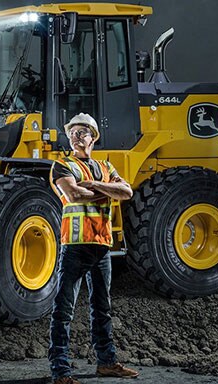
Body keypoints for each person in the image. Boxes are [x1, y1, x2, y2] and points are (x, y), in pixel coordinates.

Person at [47, 113, 138, 384]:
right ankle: (61, 372)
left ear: (93, 137)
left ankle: (107, 363)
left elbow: (128, 192)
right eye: (72, 132)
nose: (76, 136)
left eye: (82, 132)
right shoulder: (62, 166)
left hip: (101, 246)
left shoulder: (105, 166)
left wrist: (95, 185)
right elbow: (74, 194)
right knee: (63, 310)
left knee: (102, 308)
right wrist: (108, 190)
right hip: (75, 246)